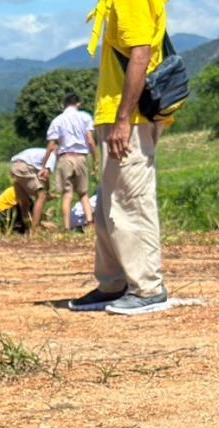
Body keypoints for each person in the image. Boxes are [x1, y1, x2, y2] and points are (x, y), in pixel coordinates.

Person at [69, 0, 170, 315]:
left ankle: (147, 287)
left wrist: (124, 118)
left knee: (132, 202)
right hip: (116, 115)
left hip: (131, 118)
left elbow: (141, 53)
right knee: (109, 206)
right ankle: (114, 283)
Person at [41, 93, 98, 234]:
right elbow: (90, 140)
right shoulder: (85, 117)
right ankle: (90, 223)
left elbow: (52, 143)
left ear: (63, 105)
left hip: (65, 157)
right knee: (83, 193)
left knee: (67, 194)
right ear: (78, 104)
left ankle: (66, 227)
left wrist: (44, 163)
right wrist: (96, 158)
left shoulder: (57, 120)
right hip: (81, 157)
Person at [9, 146, 55, 232]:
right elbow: (46, 175)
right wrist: (48, 191)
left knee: (25, 202)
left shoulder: (40, 152)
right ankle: (35, 228)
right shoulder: (52, 155)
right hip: (24, 166)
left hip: (14, 167)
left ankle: (27, 227)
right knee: (42, 196)